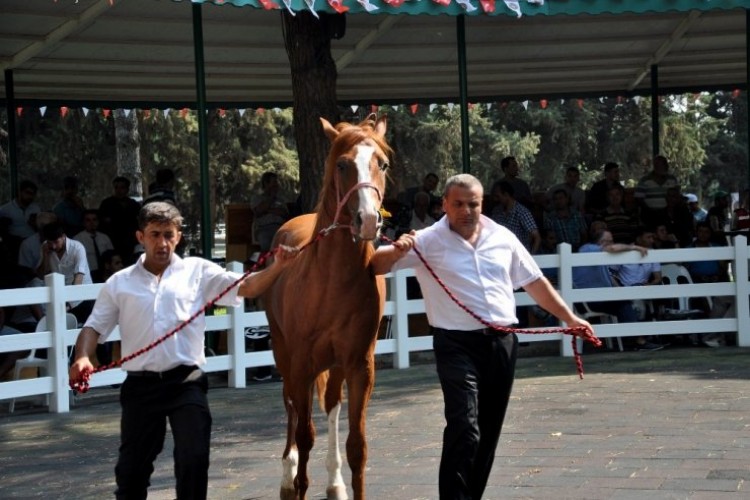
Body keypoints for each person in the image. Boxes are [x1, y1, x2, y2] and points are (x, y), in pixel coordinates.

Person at [371, 174, 596, 500]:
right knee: (464, 425)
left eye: (473, 204)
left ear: (482, 204)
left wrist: (571, 319)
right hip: (455, 344)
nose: (466, 210)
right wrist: (395, 251)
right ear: (444, 205)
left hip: (501, 344)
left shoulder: (503, 237)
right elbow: (376, 265)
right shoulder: (426, 240)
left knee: (487, 433)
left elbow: (535, 283)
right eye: (458, 204)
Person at [68, 202, 299, 500]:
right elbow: (93, 327)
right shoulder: (119, 283)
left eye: (168, 235)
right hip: (140, 387)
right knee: (131, 472)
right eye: (154, 235)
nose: (162, 243)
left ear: (178, 237)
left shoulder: (198, 271)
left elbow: (249, 287)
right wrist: (83, 357)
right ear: (141, 237)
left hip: (186, 383)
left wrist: (278, 266)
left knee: (193, 458)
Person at [38, 220, 94, 324]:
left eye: (56, 242)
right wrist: (45, 256)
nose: (53, 246)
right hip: (61, 298)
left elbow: (79, 277)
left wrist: (68, 303)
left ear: (63, 236)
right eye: (50, 243)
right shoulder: (46, 247)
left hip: (83, 298)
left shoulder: (77, 248)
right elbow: (41, 276)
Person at [98, 176, 141, 265]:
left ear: (127, 189)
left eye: (122, 187)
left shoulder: (133, 205)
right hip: (112, 243)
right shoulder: (107, 204)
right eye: (116, 187)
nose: (118, 190)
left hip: (130, 243)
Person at [490, 180, 540, 253]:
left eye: (498, 196)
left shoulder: (522, 212)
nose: (495, 199)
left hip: (519, 257)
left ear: (506, 195)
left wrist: (531, 258)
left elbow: (537, 237)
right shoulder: (496, 211)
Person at [0, 180, 41, 259]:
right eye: (28, 193)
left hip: (33, 241)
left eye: (33, 194)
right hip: (14, 243)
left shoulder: (35, 208)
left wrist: (35, 224)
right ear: (20, 192)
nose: (30, 197)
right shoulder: (5, 209)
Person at [251, 171, 289, 253]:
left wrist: (267, 210)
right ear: (266, 184)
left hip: (280, 228)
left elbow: (284, 213)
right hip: (264, 228)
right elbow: (259, 211)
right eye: (274, 182)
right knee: (266, 242)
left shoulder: (280, 200)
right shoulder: (257, 198)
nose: (276, 185)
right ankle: (267, 263)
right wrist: (271, 198)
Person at [74, 209, 115, 283]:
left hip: (106, 275)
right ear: (83, 222)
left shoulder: (105, 237)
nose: (92, 223)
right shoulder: (77, 239)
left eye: (94, 220)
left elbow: (112, 256)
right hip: (88, 275)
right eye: (88, 220)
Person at [634, 155, 679, 221]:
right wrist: (649, 211)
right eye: (660, 165)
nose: (663, 167)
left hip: (669, 215)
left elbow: (677, 196)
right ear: (655, 166)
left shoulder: (672, 179)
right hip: (650, 215)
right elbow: (638, 198)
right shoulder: (645, 180)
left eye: (664, 165)